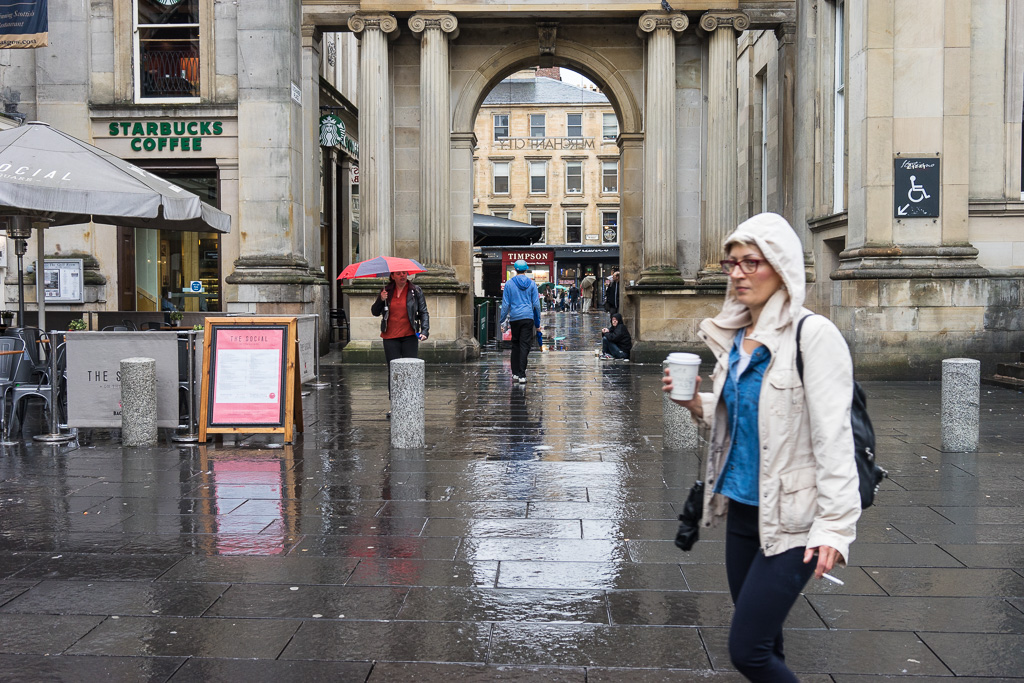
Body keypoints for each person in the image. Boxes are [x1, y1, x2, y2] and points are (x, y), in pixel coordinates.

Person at [662, 212, 860, 682]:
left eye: (752, 262)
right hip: (746, 512)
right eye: (733, 263)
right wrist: (695, 402)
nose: (738, 273)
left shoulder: (814, 336)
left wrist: (834, 528)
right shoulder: (737, 338)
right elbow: (745, 419)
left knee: (747, 650)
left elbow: (834, 437)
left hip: (795, 519)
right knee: (768, 643)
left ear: (782, 267)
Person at [371, 270, 429, 412]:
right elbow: (374, 312)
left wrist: (425, 331)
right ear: (392, 276)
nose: (402, 275)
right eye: (398, 273)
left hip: (409, 335)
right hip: (390, 336)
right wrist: (380, 299)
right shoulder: (386, 291)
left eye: (404, 273)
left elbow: (423, 311)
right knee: (394, 371)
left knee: (410, 370)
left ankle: (410, 403)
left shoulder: (415, 291)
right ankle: (395, 404)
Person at [499, 259, 541, 384]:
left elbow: (505, 304)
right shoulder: (532, 284)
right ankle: (522, 374)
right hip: (528, 318)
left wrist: (502, 321)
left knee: (515, 345)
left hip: (515, 318)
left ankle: (515, 373)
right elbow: (536, 305)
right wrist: (538, 322)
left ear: (515, 269)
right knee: (524, 346)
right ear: (526, 269)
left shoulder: (509, 284)